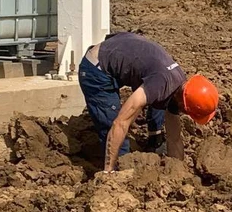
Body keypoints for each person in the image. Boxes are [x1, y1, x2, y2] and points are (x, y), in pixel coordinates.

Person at [78, 32, 219, 172]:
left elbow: (174, 138)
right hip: (96, 68)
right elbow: (120, 122)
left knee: (161, 102)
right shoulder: (160, 84)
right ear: (184, 105)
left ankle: (154, 138)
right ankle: (117, 172)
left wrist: (177, 172)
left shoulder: (179, 85)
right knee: (113, 127)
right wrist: (109, 172)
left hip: (121, 52)